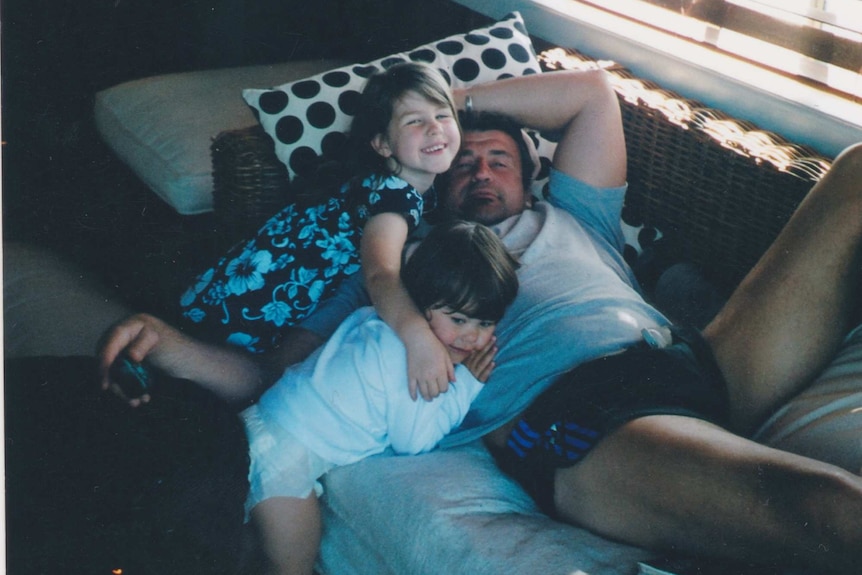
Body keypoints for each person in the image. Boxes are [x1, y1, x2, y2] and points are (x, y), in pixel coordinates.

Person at [91, 67, 862, 572]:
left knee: (855, 168)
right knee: (829, 509)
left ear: (533, 177)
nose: (479, 169)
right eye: (461, 161)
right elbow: (279, 378)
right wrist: (171, 347)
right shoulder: (405, 274)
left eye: (497, 159)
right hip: (587, 422)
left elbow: (592, 93)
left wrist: (443, 106)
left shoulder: (579, 215)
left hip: (692, 362)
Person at [231, 219, 518, 575]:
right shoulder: (418, 361)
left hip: (262, 425)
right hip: (284, 463)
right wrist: (467, 385)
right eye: (459, 320)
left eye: (485, 323)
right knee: (294, 566)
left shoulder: (375, 319)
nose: (472, 338)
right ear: (420, 300)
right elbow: (414, 441)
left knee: (243, 549)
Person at [177, 61, 462, 401]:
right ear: (383, 144)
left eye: (443, 115)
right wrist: (419, 338)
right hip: (261, 299)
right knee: (260, 383)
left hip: (236, 284)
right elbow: (380, 273)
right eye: (414, 121)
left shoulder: (390, 185)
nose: (434, 128)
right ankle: (171, 356)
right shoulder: (394, 197)